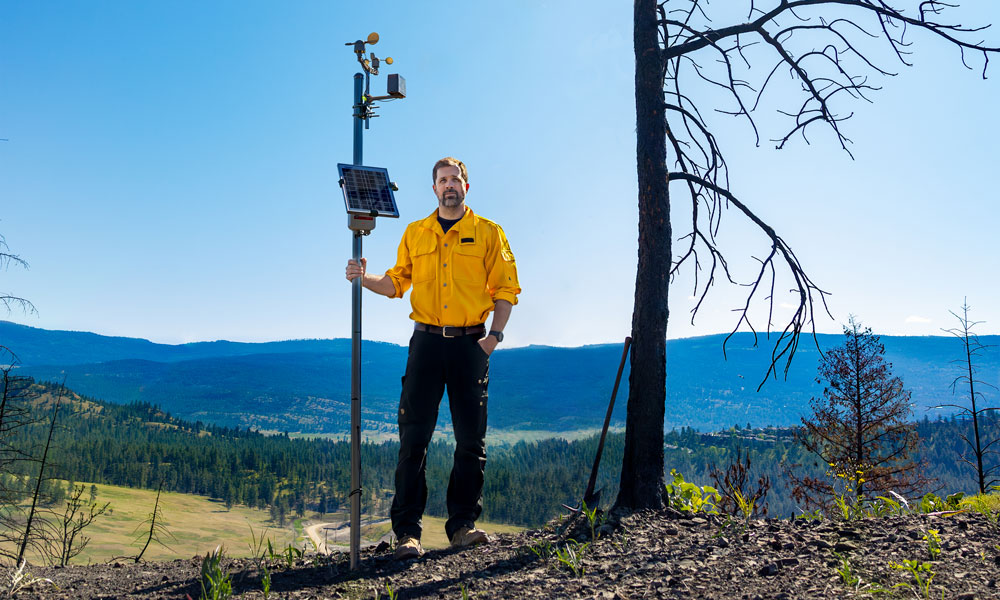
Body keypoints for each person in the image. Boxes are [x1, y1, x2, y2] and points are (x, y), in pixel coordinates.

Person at [344, 156, 520, 560]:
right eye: (442, 180)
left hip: (470, 344)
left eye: (455, 179)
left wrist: (494, 337)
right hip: (425, 344)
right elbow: (395, 283)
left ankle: (462, 527)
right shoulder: (415, 233)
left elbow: (506, 289)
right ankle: (407, 533)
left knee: (471, 441)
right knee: (413, 439)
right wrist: (362, 276)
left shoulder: (489, 233)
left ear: (466, 187)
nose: (448, 186)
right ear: (435, 188)